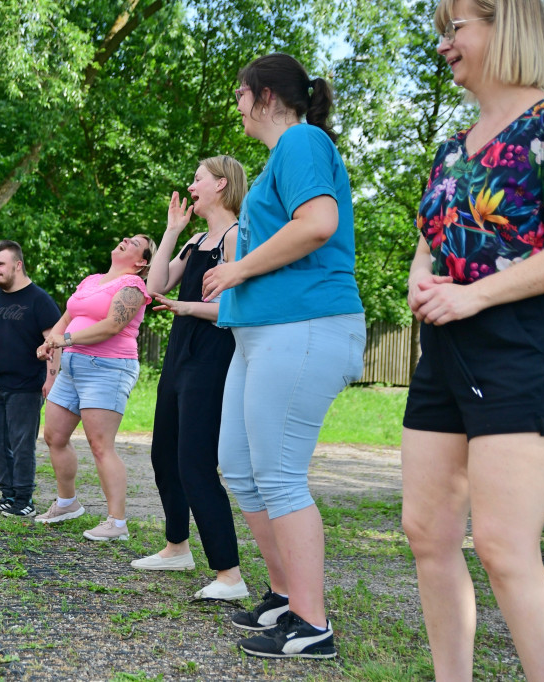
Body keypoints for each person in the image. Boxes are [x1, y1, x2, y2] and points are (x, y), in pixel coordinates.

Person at [401, 1, 544, 679]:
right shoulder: (450, 147)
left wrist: (473, 294)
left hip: (520, 345)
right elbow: (428, 241)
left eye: (455, 28)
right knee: (427, 533)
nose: (445, 45)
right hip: (443, 350)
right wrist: (422, 278)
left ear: (505, 25)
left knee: (503, 546)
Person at [201, 54, 365, 659]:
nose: (237, 107)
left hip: (306, 326)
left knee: (278, 475)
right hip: (262, 333)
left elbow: (319, 223)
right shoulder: (281, 158)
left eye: (239, 95)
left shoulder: (301, 141)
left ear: (261, 94)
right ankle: (283, 594)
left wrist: (239, 266)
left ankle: (311, 622)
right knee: (239, 467)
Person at [133, 156, 248, 602]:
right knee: (164, 456)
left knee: (195, 464)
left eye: (198, 179)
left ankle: (230, 574)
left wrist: (186, 308)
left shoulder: (238, 238)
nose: (191, 186)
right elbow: (155, 284)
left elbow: (235, 308)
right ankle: (177, 548)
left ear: (221, 184)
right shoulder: (198, 239)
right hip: (181, 356)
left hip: (213, 355)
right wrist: (171, 232)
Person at [34, 235, 154, 541]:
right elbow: (67, 316)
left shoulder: (133, 286)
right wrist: (51, 341)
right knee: (54, 436)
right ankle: (67, 503)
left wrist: (68, 340)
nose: (127, 239)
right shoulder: (93, 280)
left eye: (136, 242)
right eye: (127, 237)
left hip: (108, 369)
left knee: (100, 445)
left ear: (141, 262)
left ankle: (117, 522)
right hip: (73, 367)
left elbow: (113, 325)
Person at [0, 240, 62, 518]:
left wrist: (50, 378)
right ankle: (8, 495)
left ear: (17, 265)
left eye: (0, 265)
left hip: (26, 386)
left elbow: (53, 343)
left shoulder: (38, 299)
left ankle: (24, 499)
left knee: (22, 444)